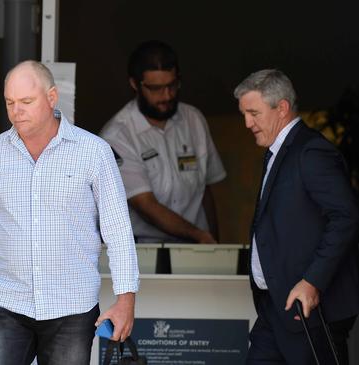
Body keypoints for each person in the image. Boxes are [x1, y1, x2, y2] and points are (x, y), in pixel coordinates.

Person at [0, 60, 139, 365]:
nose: (16, 111)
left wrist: (126, 298)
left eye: (26, 101)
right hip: (6, 303)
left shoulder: (94, 151)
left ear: (51, 98)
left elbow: (117, 230)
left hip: (72, 306)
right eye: (9, 102)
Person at [235, 69, 359, 365]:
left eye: (253, 113)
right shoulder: (278, 152)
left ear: (282, 108)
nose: (247, 123)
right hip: (275, 309)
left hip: (310, 312)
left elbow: (346, 217)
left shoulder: (310, 151)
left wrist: (312, 282)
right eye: (244, 114)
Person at [100, 40, 226, 243]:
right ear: (134, 84)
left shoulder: (194, 119)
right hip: (146, 251)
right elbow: (146, 206)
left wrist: (214, 244)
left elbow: (205, 191)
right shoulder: (117, 135)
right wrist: (200, 236)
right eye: (156, 88)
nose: (166, 95)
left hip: (198, 249)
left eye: (172, 85)